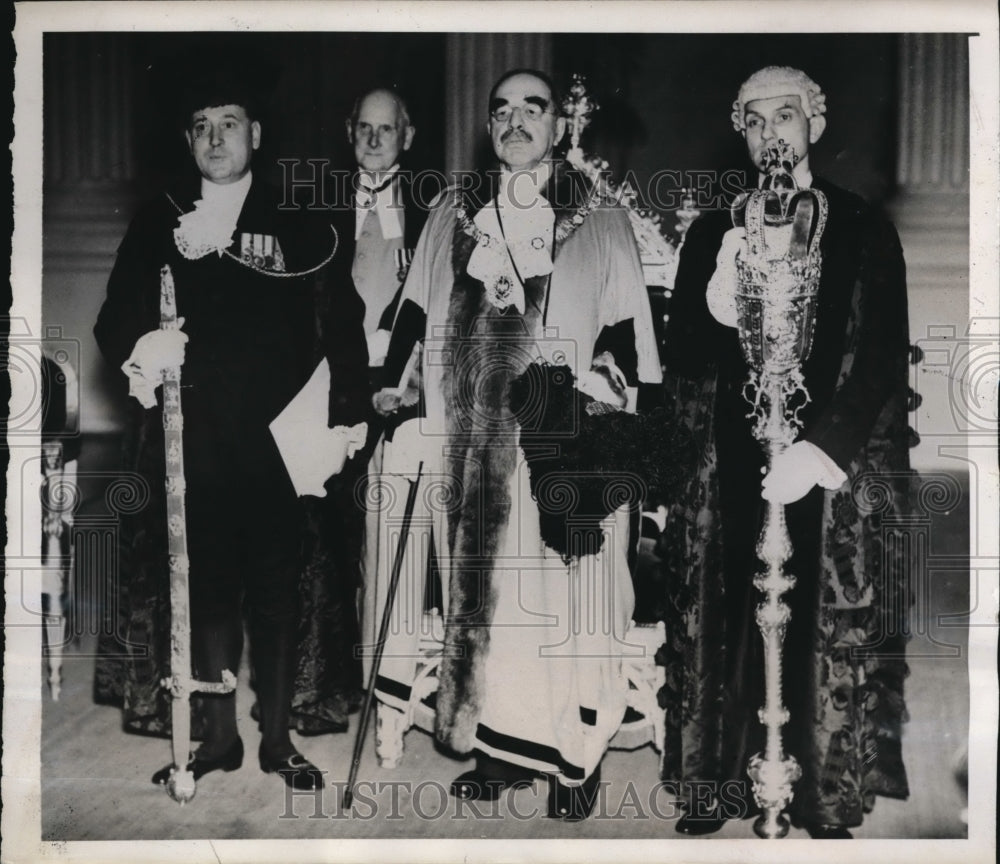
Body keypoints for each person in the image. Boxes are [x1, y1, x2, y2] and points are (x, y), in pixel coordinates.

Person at [373, 69, 662, 819]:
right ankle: (499, 749)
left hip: (559, 437)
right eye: (501, 110)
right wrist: (394, 389)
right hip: (469, 439)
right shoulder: (452, 211)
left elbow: (632, 332)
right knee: (487, 603)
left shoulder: (596, 215)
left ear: (558, 124)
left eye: (532, 109)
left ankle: (576, 761)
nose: (514, 121)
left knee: (569, 603)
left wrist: (605, 390)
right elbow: (409, 314)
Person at [92, 53, 369, 792]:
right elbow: (114, 317)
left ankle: (276, 738)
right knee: (206, 588)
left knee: (279, 591)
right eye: (201, 128)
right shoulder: (161, 220)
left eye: (228, 124)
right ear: (189, 143)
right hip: (195, 444)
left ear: (256, 132)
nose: (215, 138)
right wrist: (146, 344)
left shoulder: (302, 222)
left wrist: (347, 418)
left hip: (282, 443)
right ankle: (217, 740)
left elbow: (343, 323)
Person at [660, 66, 911, 838]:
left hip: (821, 464)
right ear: (741, 132)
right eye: (757, 119)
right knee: (727, 613)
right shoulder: (712, 232)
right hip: (731, 456)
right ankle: (720, 782)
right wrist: (721, 286)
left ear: (815, 125)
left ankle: (820, 791)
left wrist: (822, 448)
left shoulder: (863, 226)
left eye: (788, 116)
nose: (774, 133)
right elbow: (688, 359)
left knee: (814, 621)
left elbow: (879, 357)